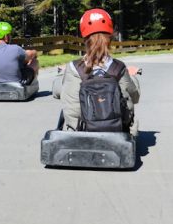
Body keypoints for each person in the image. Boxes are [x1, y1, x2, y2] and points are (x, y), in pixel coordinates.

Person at [58, 8, 140, 136]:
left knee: (65, 93)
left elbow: (60, 95)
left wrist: (63, 76)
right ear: (110, 36)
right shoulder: (119, 67)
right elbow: (135, 97)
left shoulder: (74, 68)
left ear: (84, 37)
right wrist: (131, 77)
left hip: (80, 134)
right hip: (117, 133)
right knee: (132, 84)